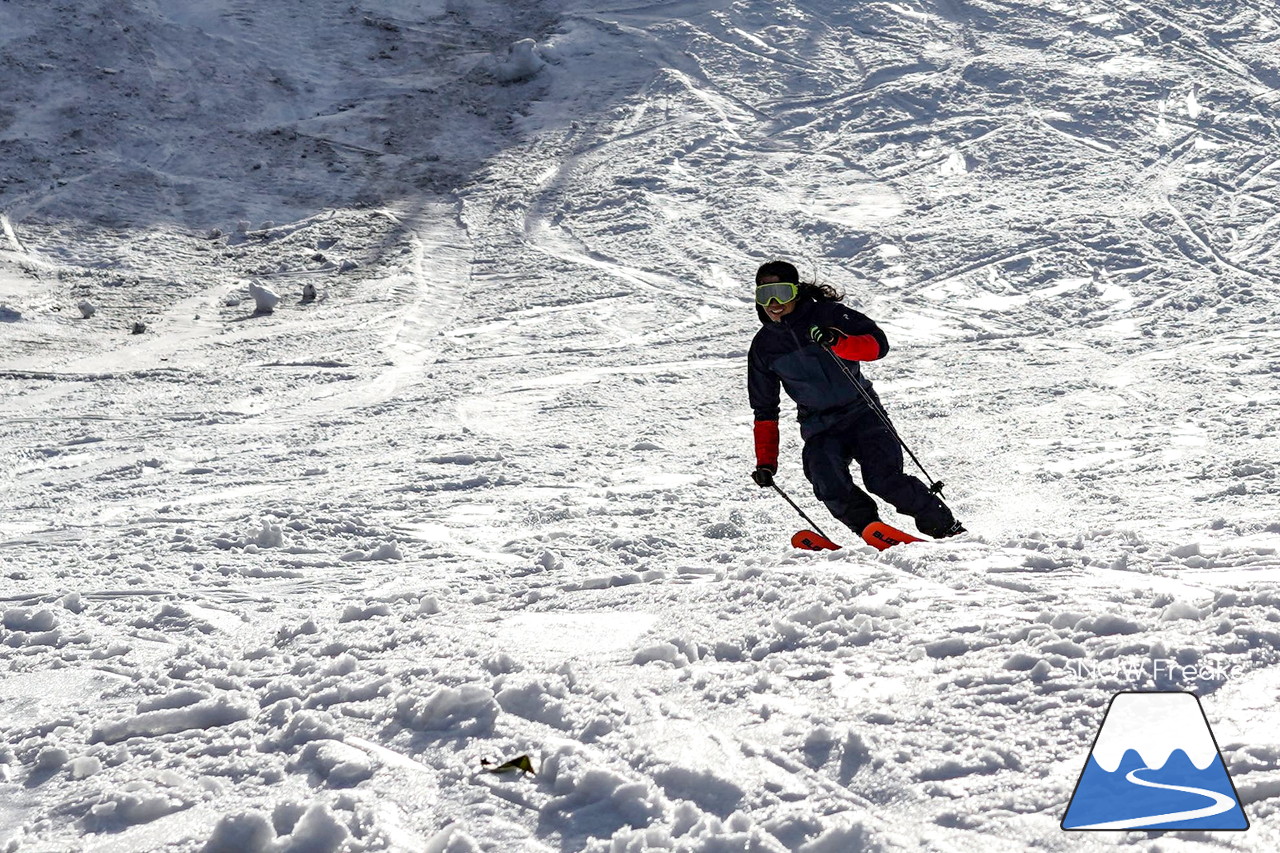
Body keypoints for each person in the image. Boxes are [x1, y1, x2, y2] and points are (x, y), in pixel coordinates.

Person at [747, 260, 963, 542]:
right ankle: (873, 532)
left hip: (862, 414)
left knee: (883, 479)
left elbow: (877, 344)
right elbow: (764, 410)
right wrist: (766, 463)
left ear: (796, 292)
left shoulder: (828, 315)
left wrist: (839, 341)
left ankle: (946, 529)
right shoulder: (763, 347)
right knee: (826, 480)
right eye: (764, 295)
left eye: (780, 292)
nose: (773, 303)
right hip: (819, 426)